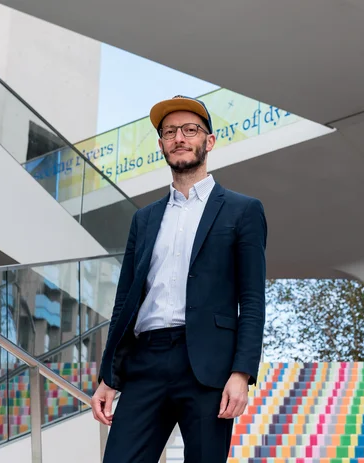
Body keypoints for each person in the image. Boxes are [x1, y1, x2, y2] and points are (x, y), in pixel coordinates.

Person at [91, 95, 267, 462]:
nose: (179, 138)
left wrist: (242, 372)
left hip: (207, 365)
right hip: (146, 360)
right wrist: (109, 375)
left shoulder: (243, 210)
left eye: (190, 130)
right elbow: (124, 303)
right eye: (170, 132)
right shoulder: (144, 219)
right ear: (161, 145)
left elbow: (252, 299)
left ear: (209, 141)